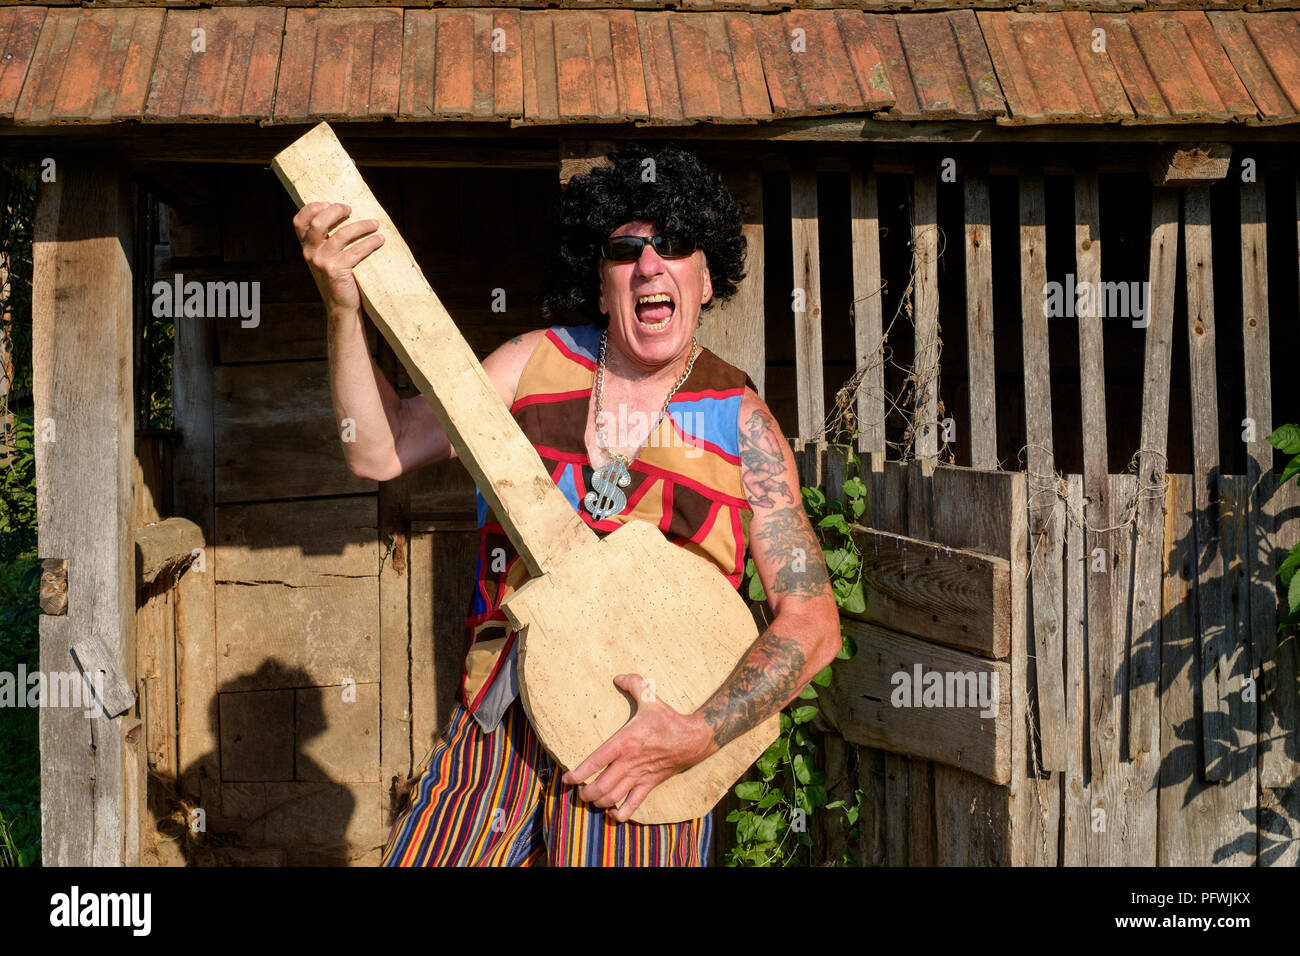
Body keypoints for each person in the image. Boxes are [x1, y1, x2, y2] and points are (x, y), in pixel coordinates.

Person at [293, 145, 841, 866]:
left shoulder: (741, 421)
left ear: (706, 279)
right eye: (625, 251)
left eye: (674, 247)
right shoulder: (531, 363)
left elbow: (814, 622)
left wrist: (698, 735)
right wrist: (342, 309)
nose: (650, 266)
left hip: (646, 757)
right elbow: (378, 448)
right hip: (500, 726)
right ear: (602, 277)